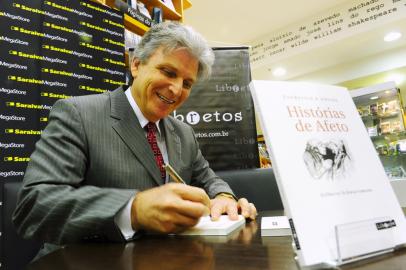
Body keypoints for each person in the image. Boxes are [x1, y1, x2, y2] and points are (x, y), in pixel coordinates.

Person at [12, 21, 257, 257]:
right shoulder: (78, 114)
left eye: (187, 83)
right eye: (168, 72)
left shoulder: (184, 132)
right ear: (136, 65)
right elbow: (34, 208)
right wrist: (134, 209)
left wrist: (224, 198)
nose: (176, 89)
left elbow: (208, 179)